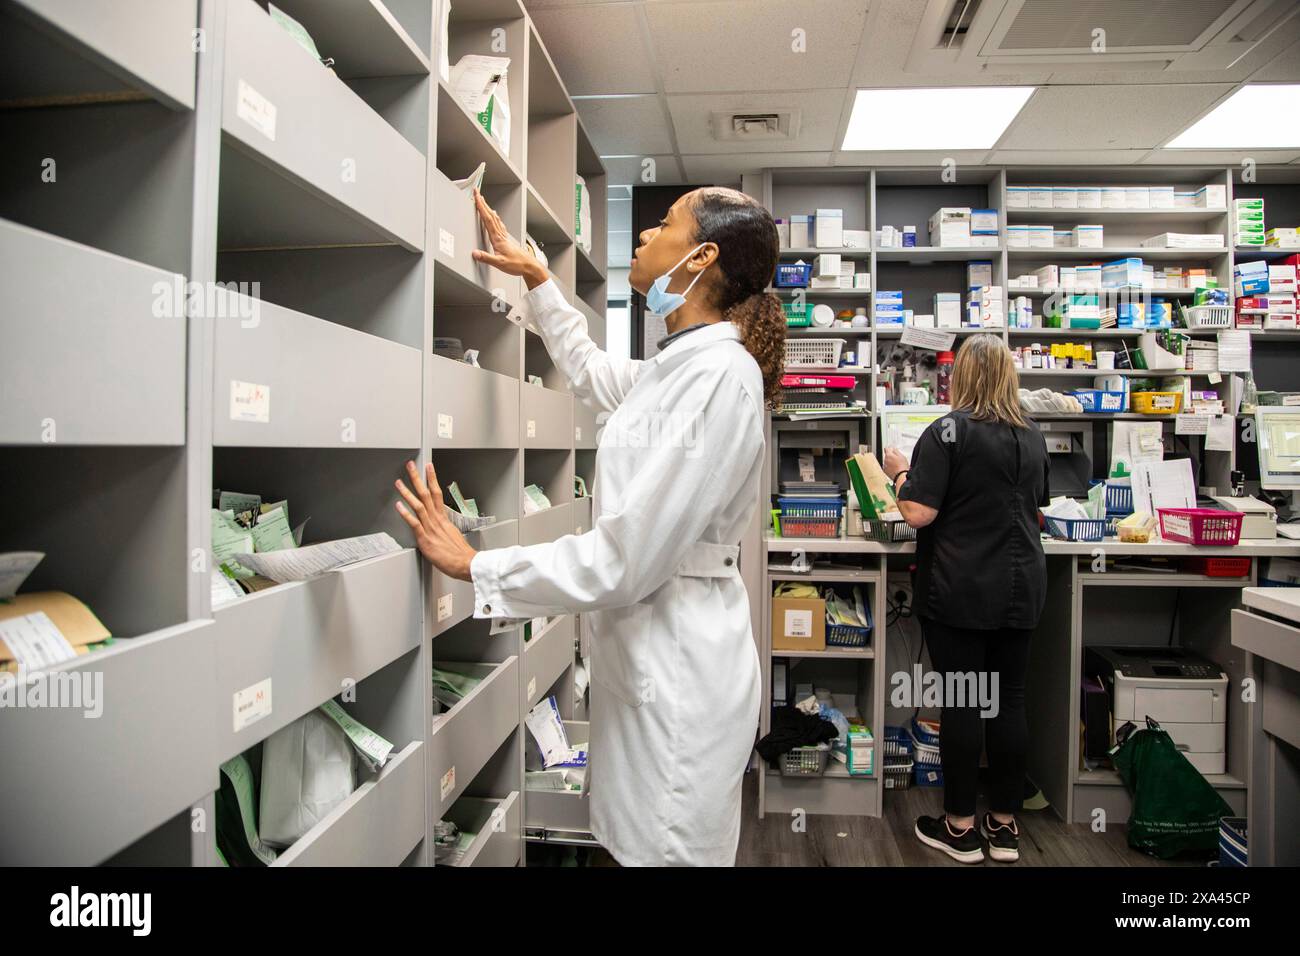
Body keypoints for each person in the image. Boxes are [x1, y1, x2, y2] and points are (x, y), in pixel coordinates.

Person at [393, 185, 786, 866]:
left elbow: (622, 561)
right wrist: (540, 282)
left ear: (700, 257)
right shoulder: (681, 365)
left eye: (663, 223)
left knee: (662, 853)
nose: (643, 236)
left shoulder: (719, 378)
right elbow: (595, 372)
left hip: (679, 678)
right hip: (652, 662)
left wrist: (475, 566)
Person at [882, 334, 1049, 864]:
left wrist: (899, 473)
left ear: (963, 378)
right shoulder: (1033, 434)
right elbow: (1036, 510)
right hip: (1022, 588)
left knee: (961, 703)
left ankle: (958, 828)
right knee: (1009, 702)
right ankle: (1003, 827)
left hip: (962, 590)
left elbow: (917, 514)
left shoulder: (946, 432)